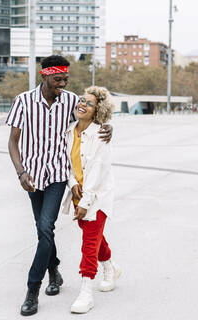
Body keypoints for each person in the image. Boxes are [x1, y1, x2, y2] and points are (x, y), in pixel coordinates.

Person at [6, 55, 112, 316]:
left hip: (57, 176)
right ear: (44, 76)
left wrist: (110, 126)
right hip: (31, 177)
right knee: (43, 231)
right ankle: (54, 272)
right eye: (57, 79)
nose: (62, 84)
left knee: (45, 227)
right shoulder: (23, 101)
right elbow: (13, 142)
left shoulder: (70, 100)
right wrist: (21, 173)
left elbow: (94, 114)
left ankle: (32, 290)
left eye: (66, 79)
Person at [60, 86, 121, 314]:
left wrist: (86, 202)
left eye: (89, 103)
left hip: (97, 197)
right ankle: (110, 266)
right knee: (94, 236)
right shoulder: (68, 131)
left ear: (98, 111)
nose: (82, 104)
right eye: (81, 100)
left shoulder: (101, 135)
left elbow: (97, 172)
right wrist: (72, 184)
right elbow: (65, 163)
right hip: (77, 194)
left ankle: (86, 291)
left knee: (88, 242)